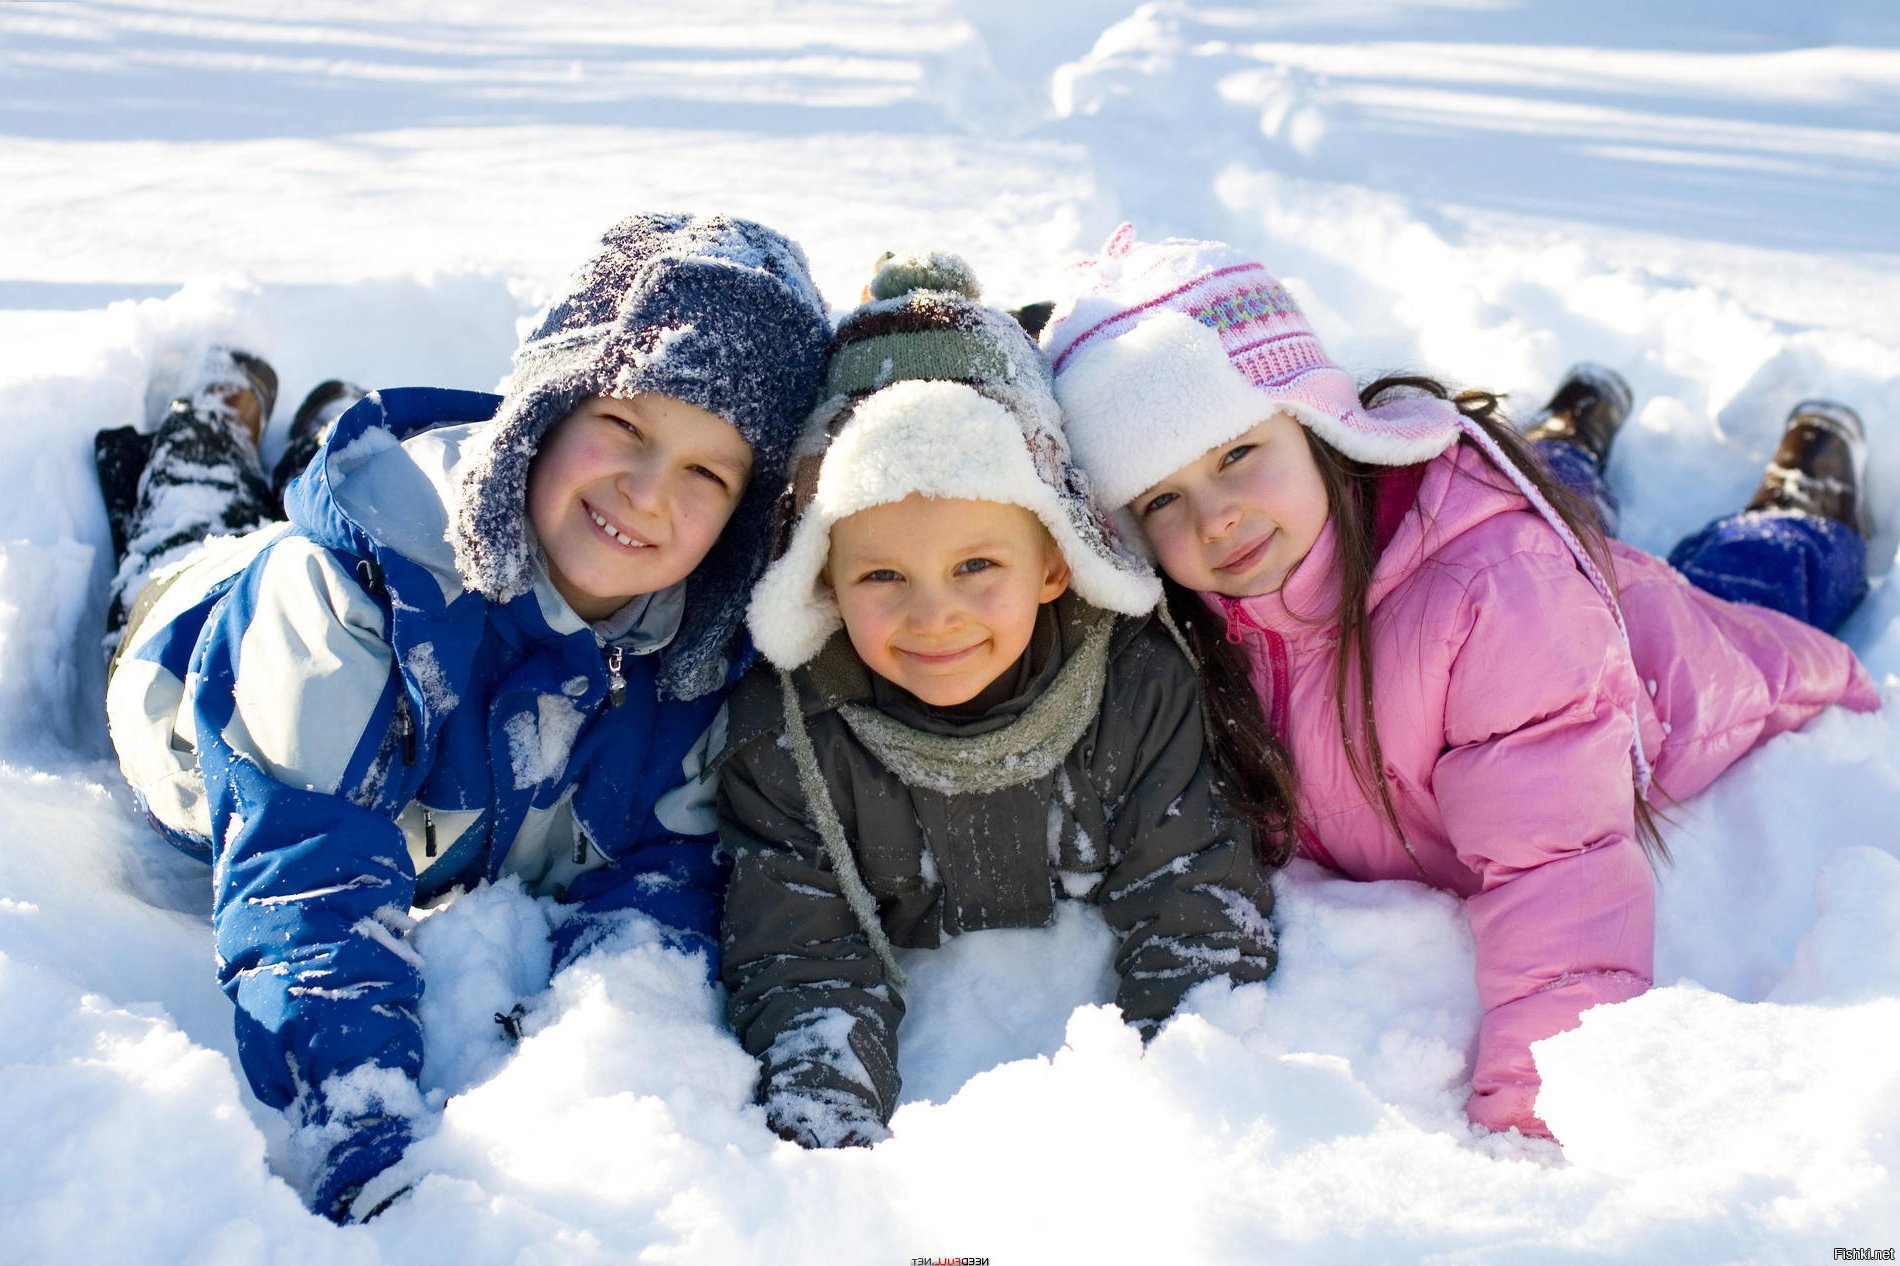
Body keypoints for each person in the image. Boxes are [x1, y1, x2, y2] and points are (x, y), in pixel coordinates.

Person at [1038, 225, 1880, 1141]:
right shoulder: (1191, 624)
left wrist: (1537, 1107)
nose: (1215, 517)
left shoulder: (1499, 604)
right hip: (1513, 572)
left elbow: (1560, 871)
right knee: (1558, 492)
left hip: (1661, 659)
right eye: (1161, 498)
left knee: (1751, 576)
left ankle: (1806, 494)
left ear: (1317, 423)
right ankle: (1570, 436)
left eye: (1236, 454)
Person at [99, 213, 832, 1219]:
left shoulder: (692, 659)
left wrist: (619, 1061)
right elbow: (308, 889)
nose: (647, 491)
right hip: (200, 655)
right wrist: (364, 1142)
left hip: (440, 763)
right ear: (546, 408)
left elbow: (661, 879)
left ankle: (317, 431)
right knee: (198, 537)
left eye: (707, 472)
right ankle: (207, 440)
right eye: (624, 424)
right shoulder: (341, 602)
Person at [717, 252, 1281, 1149]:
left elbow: (1194, 898)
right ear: (824, 580)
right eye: (882, 575)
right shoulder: (791, 737)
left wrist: (1178, 1112)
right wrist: (828, 1144)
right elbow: (802, 959)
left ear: (1055, 563)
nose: (933, 615)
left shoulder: (1135, 687)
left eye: (977, 564)